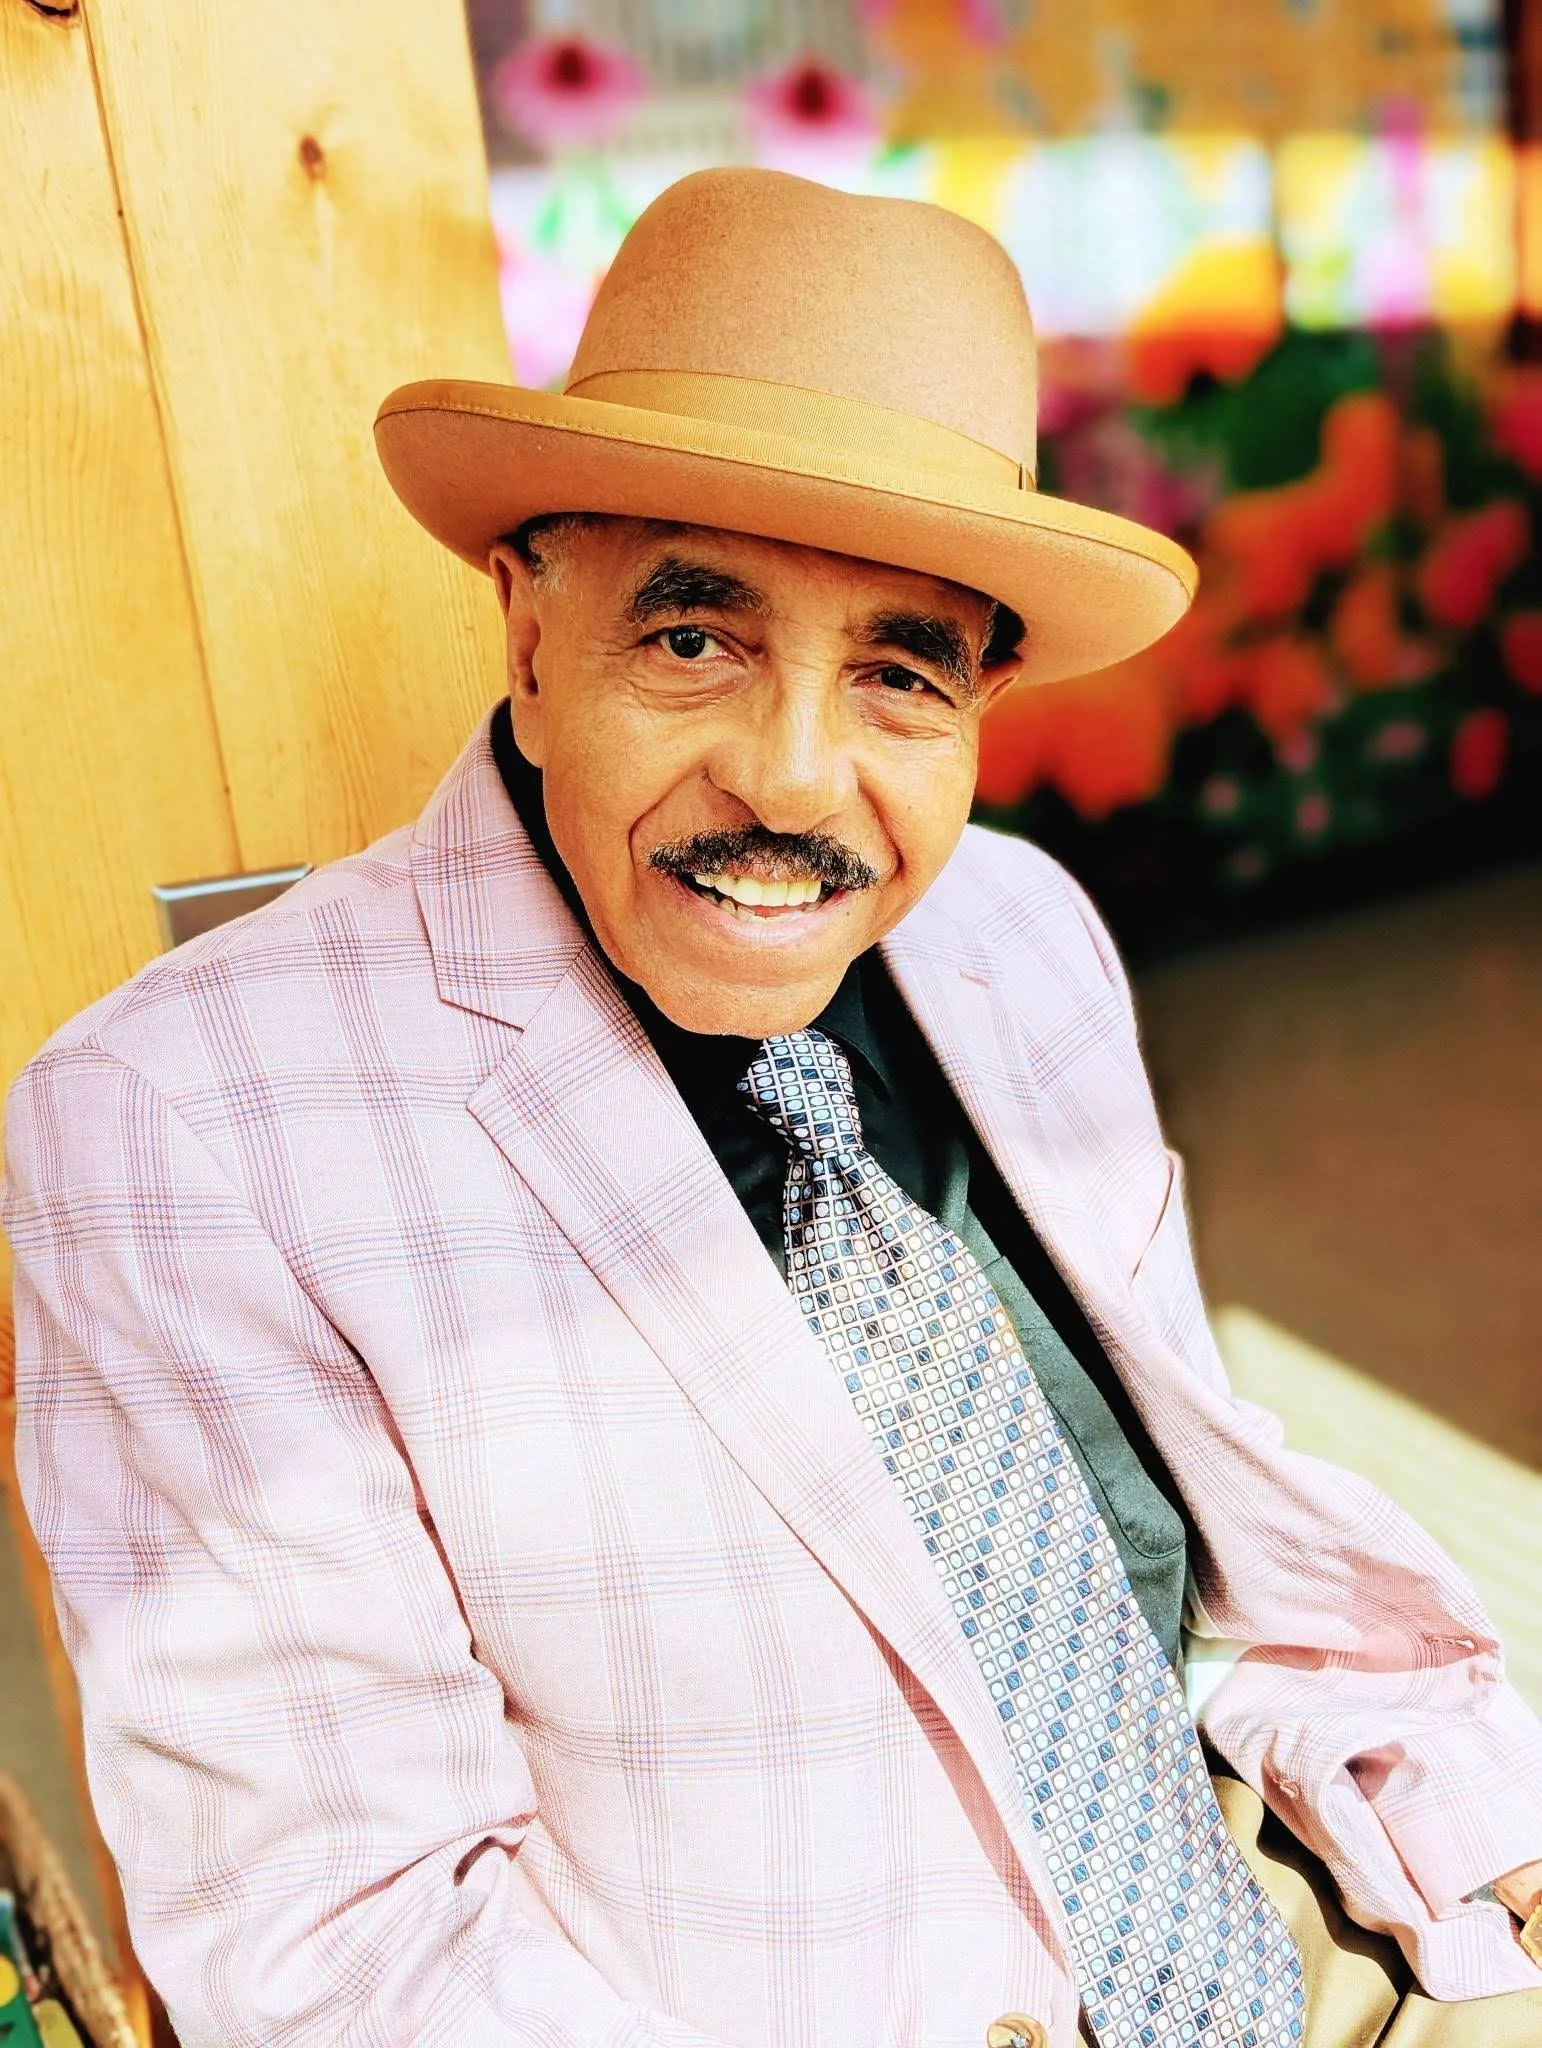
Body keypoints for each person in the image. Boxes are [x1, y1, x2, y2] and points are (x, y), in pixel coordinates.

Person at [6, 168, 1541, 2048]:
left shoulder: (1019, 934)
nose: (791, 779)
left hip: (1300, 1921)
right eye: (692, 638)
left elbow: (1204, 1528)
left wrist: (1484, 1842)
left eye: (899, 672)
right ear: (528, 635)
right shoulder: (182, 1126)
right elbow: (350, 1957)